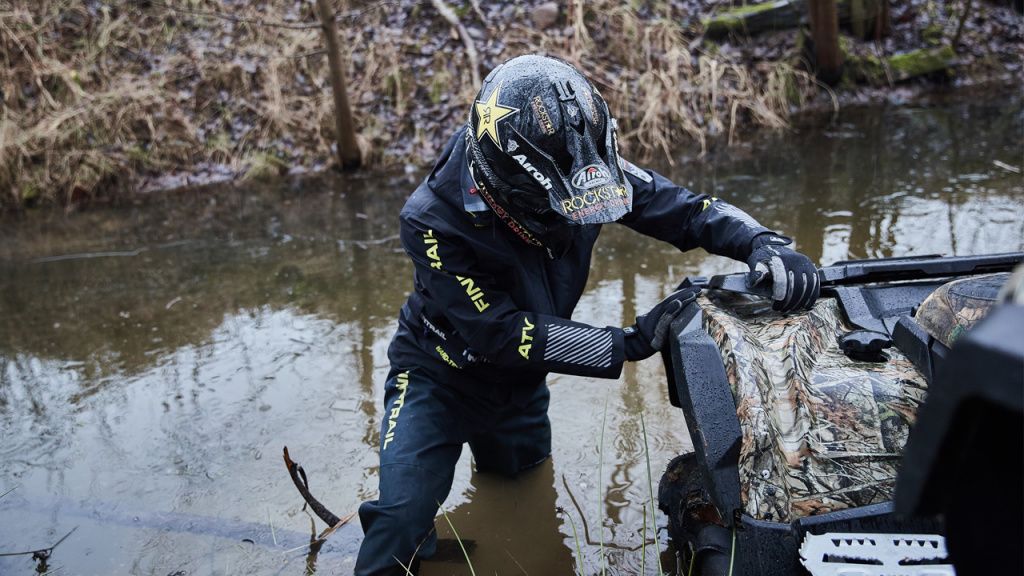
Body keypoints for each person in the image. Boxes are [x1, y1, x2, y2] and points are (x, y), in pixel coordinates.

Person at [354, 54, 819, 575]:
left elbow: (684, 209)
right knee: (397, 520)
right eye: (561, 204)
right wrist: (629, 341)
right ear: (513, 192)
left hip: (522, 386)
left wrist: (763, 242)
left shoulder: (586, 169)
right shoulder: (431, 220)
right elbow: (498, 333)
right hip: (438, 375)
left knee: (524, 494)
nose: (577, 211)